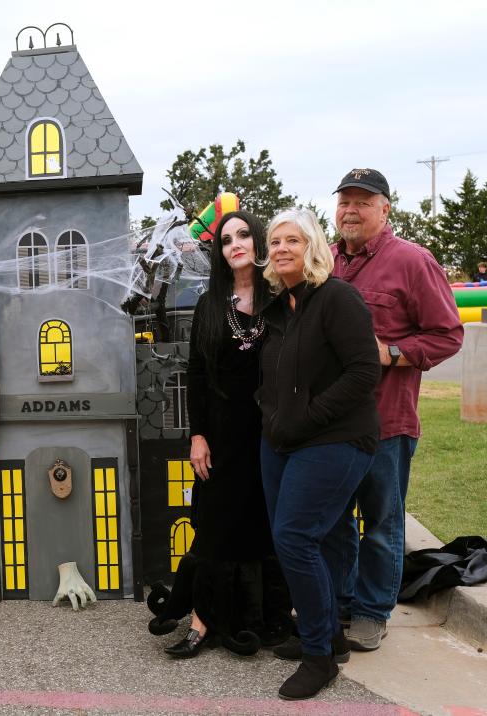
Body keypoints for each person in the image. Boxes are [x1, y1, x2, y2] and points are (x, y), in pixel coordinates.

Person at [324, 169, 463, 651]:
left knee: (382, 522)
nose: (351, 211)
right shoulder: (325, 262)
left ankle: (371, 611)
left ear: (386, 209)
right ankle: (340, 602)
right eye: (345, 201)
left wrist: (394, 353)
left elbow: (448, 334)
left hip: (387, 422)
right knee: (335, 520)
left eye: (364, 202)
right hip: (330, 425)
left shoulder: (412, 261)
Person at [257, 207, 381, 700]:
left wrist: (306, 418)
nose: (281, 248)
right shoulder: (281, 307)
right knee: (320, 537)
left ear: (313, 247)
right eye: (275, 242)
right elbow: (272, 380)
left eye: (292, 240)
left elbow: (363, 371)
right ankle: (328, 635)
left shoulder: (337, 298)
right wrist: (272, 418)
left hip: (336, 439)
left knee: (294, 537)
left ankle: (318, 657)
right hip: (282, 442)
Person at [162, 211, 291, 659]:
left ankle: (260, 620)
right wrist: (197, 435)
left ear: (257, 242)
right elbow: (195, 373)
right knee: (214, 525)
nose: (235, 243)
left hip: (270, 432)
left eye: (243, 235)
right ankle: (201, 621)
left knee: (260, 523)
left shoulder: (280, 298)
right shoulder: (209, 303)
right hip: (219, 432)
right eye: (226, 239)